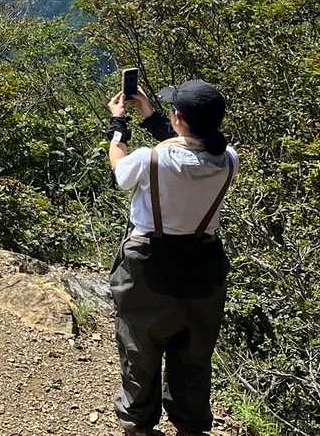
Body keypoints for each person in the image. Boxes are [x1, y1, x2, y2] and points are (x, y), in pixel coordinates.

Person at [104, 79, 238, 436]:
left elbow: (120, 166)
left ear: (178, 118)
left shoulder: (149, 159)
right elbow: (190, 148)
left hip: (147, 266)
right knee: (193, 355)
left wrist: (118, 125)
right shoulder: (228, 160)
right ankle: (191, 427)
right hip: (203, 265)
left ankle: (138, 425)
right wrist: (152, 117)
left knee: (139, 349)